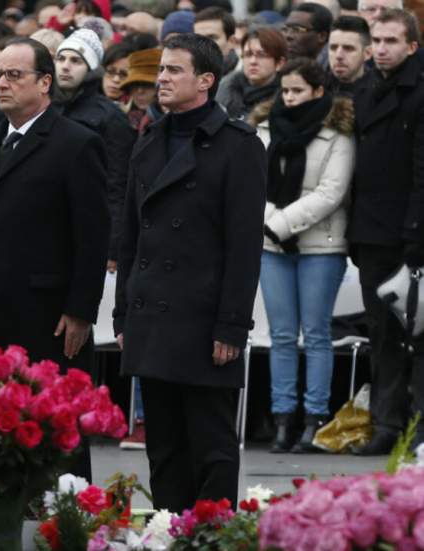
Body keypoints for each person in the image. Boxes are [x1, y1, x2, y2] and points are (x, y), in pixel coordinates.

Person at [113, 33, 265, 512]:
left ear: (205, 80)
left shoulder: (238, 146)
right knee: (164, 447)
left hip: (204, 320)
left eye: (174, 70)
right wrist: (122, 315)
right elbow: (132, 237)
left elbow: (244, 247)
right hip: (152, 316)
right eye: (161, 69)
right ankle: (168, 530)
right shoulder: (150, 140)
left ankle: (213, 536)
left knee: (211, 445)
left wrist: (232, 326)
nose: (161, 78)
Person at [0, 37, 110, 373]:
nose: (2, 84)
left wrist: (80, 312)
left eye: (13, 74)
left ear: (44, 82)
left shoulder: (77, 144)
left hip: (45, 314)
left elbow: (92, 238)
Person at [248, 59, 355, 453]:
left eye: (297, 90)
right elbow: (251, 182)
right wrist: (270, 222)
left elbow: (332, 192)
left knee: (316, 334)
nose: (289, 97)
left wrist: (279, 223)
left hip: (320, 246)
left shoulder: (337, 134)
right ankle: (282, 417)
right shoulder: (263, 129)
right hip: (272, 245)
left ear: (318, 92)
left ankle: (314, 418)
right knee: (280, 335)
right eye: (285, 90)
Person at [348, 8, 424, 454]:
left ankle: (415, 425)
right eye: (376, 40)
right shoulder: (364, 90)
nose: (380, 48)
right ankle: (386, 424)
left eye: (391, 41)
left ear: (411, 46)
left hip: (410, 232)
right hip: (373, 232)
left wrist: (415, 236)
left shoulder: (418, 93)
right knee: (382, 334)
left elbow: (421, 171)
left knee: (418, 333)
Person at [54, 28, 135, 273]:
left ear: (91, 68)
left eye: (76, 60)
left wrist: (113, 246)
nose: (66, 66)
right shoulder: (44, 108)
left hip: (88, 229)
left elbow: (117, 185)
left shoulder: (111, 118)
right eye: (61, 59)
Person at [216, 27, 287, 119]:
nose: (253, 61)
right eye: (248, 54)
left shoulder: (289, 98)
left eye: (261, 55)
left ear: (279, 63)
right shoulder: (223, 92)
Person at [327, 15, 373, 96]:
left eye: (348, 48)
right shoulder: (314, 87)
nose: (338, 56)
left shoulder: (381, 93)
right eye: (333, 48)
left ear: (367, 53)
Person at [121, 48, 162, 129]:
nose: (140, 91)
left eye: (147, 84)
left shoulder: (171, 121)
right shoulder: (121, 118)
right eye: (134, 85)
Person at [194, 7, 240, 76]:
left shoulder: (247, 77)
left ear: (231, 41)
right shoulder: (188, 76)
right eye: (198, 38)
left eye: (212, 37)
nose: (204, 44)